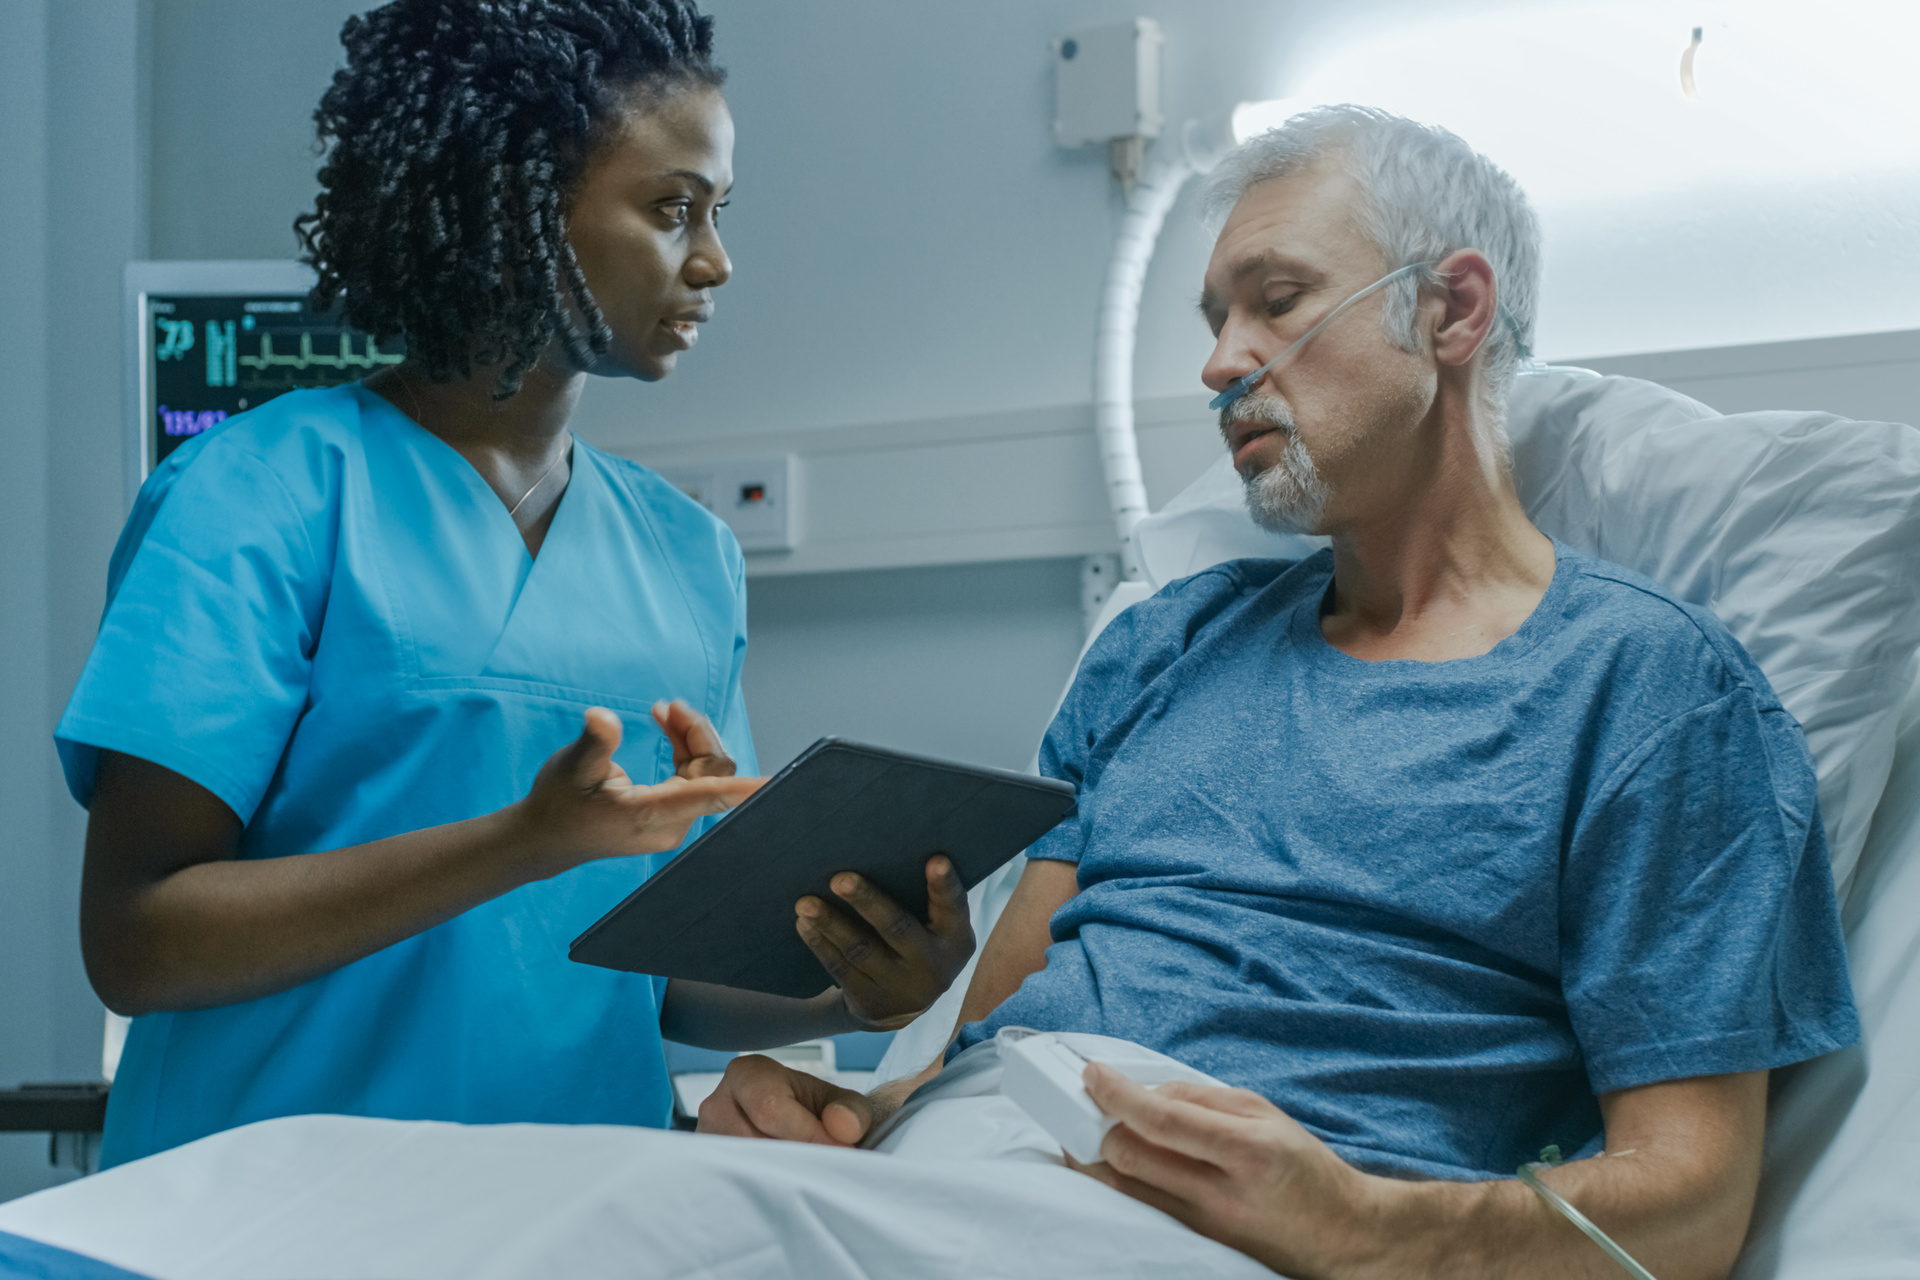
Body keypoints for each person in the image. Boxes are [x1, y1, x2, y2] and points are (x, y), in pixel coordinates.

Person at [695, 106, 1859, 1279]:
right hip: (971, 1172)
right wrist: (846, 1113)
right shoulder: (1163, 645)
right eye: (1214, 319)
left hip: (1242, 1229)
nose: (1219, 362)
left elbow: (1691, 1206)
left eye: (1279, 299)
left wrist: (1361, 1220)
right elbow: (998, 1040)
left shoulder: (1649, 688)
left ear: (1452, 308)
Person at [59, 0, 972, 1170]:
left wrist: (865, 984)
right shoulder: (258, 496)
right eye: (671, 208)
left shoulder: (687, 557)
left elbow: (664, 976)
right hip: (263, 1208)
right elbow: (136, 939)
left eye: (719, 212)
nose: (714, 260)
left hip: (573, 1213)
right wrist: (520, 841)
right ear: (521, 210)